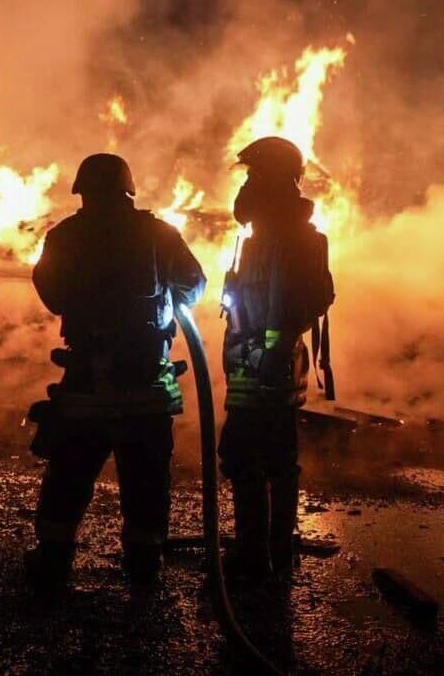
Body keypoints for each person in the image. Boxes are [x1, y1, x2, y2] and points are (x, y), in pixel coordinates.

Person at [25, 153, 206, 592]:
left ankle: (53, 560)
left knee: (69, 476)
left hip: (86, 380)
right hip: (146, 381)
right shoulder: (158, 234)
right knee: (146, 483)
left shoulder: (65, 236)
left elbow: (50, 291)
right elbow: (194, 283)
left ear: (83, 192)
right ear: (129, 190)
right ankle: (144, 566)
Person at [218, 136, 334, 582]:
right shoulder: (261, 237)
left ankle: (258, 555)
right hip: (253, 363)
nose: (246, 183)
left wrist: (276, 348)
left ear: (271, 178)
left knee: (249, 455)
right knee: (265, 455)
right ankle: (273, 550)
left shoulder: (298, 240)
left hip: (270, 366)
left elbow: (311, 299)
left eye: (253, 173)